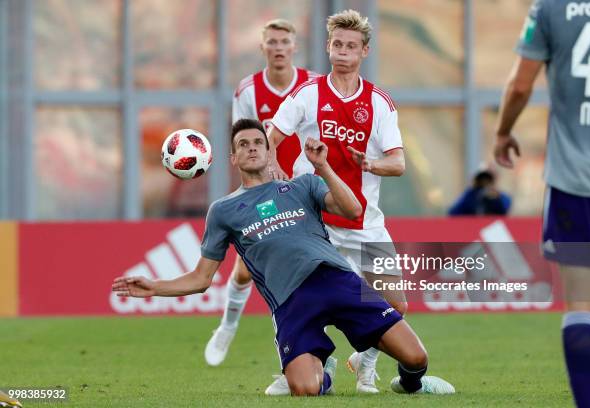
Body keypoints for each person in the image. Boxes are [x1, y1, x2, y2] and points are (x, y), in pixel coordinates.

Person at [112, 119, 454, 397]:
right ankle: (324, 368)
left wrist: (323, 167)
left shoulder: (303, 185)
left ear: (268, 149)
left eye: (258, 142)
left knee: (416, 357)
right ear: (233, 158)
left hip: (335, 280)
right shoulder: (224, 210)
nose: (251, 148)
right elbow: (201, 279)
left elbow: (353, 210)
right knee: (305, 389)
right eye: (243, 145)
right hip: (292, 302)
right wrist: (153, 287)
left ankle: (411, 385)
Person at [267, 9, 406, 393]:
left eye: (351, 46)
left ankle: (365, 361)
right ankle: (299, 367)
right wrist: (276, 166)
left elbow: (399, 163)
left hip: (364, 221)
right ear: (329, 47)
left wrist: (372, 163)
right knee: (301, 299)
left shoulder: (380, 103)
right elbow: (271, 135)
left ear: (365, 51)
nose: (343, 51)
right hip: (315, 222)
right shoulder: (307, 94)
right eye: (337, 44)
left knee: (396, 305)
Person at [493, 1, 590, 407]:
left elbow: (521, 84)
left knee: (581, 306)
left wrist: (503, 131)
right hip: (578, 178)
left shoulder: (549, 9)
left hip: (575, 180)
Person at [204, 19, 317, 369]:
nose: (279, 47)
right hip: (265, 186)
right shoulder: (248, 90)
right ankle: (227, 325)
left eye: (285, 41)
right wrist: (268, 171)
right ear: (263, 48)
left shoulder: (313, 84)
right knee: (245, 269)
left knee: (315, 267)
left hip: (307, 185)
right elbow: (245, 137)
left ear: (294, 47)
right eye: (272, 42)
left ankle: (313, 355)